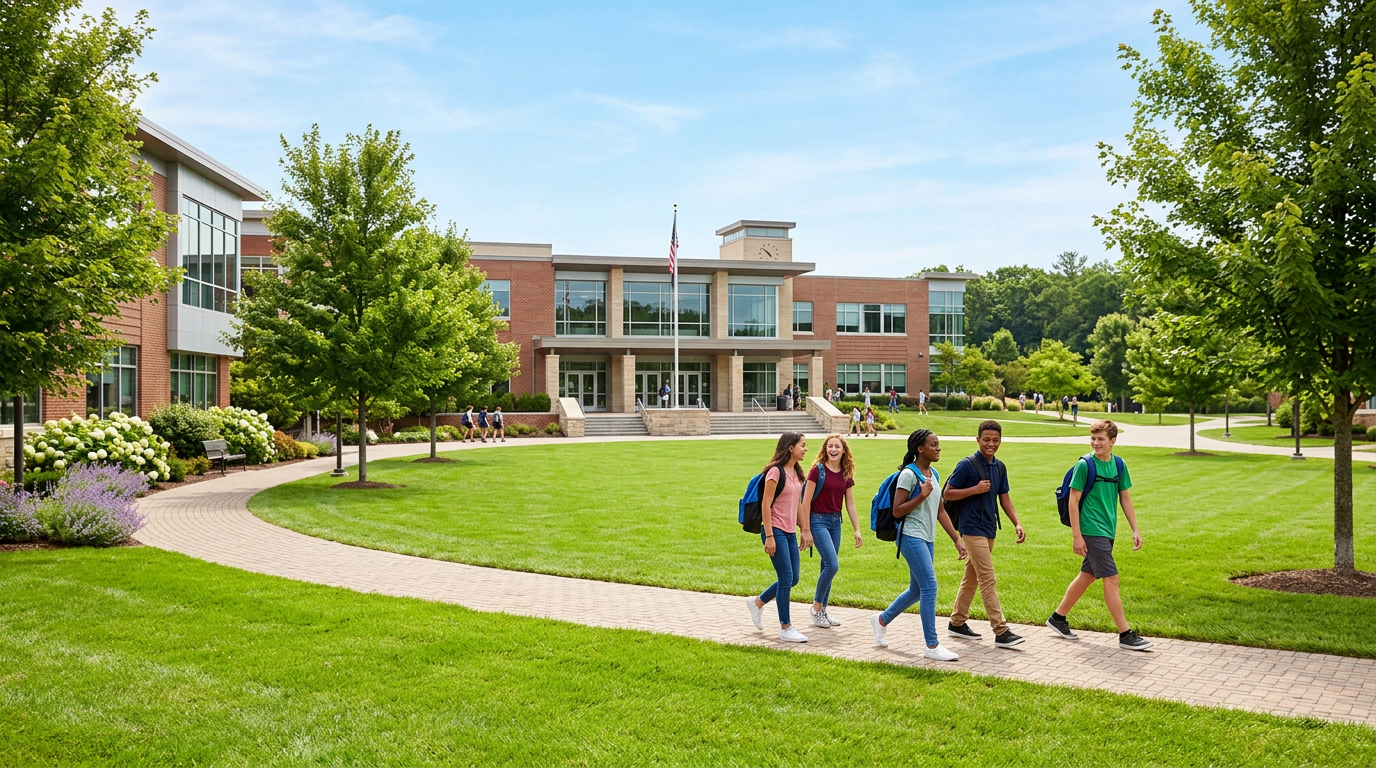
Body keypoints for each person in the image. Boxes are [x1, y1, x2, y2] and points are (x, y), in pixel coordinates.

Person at [1046, 420, 1152, 651]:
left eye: (1101, 439)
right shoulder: (1084, 465)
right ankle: (1125, 634)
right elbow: (1073, 501)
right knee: (1111, 578)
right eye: (1093, 438)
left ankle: (1057, 618)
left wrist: (1135, 529)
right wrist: (1077, 535)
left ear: (1113, 441)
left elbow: (1125, 497)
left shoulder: (1119, 465)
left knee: (1087, 575)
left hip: (1107, 529)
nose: (1095, 443)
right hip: (1091, 529)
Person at [869, 429, 967, 661]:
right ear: (919, 448)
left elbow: (941, 510)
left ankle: (881, 620)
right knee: (930, 587)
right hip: (911, 536)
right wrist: (921, 495)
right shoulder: (908, 475)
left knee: (916, 589)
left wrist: (956, 539)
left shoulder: (934, 473)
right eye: (934, 444)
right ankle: (931, 646)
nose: (938, 448)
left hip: (927, 538)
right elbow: (897, 510)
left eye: (938, 444)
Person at [942, 420, 1026, 649]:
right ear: (978, 439)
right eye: (986, 439)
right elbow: (947, 494)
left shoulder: (999, 467)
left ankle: (957, 623)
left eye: (995, 440)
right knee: (988, 578)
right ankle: (1001, 631)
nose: (991, 444)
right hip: (971, 529)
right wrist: (975, 489)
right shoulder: (966, 465)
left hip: (989, 529)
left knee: (971, 577)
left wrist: (1017, 522)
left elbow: (1004, 497)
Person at [746, 432, 812, 643]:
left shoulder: (797, 473)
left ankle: (757, 602)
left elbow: (799, 505)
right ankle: (785, 627)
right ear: (790, 448)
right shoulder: (775, 472)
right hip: (775, 530)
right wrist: (769, 536)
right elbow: (766, 504)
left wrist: (805, 529)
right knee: (785, 578)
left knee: (793, 578)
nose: (806, 449)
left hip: (790, 531)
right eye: (802, 445)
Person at [800, 434, 862, 628]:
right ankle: (816, 607)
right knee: (832, 565)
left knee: (826, 566)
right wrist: (806, 529)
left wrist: (857, 530)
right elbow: (805, 501)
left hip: (836, 522)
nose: (833, 450)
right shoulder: (816, 471)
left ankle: (823, 610)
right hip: (817, 521)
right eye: (830, 446)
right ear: (825, 449)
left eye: (837, 447)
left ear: (844, 450)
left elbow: (850, 503)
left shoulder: (845, 473)